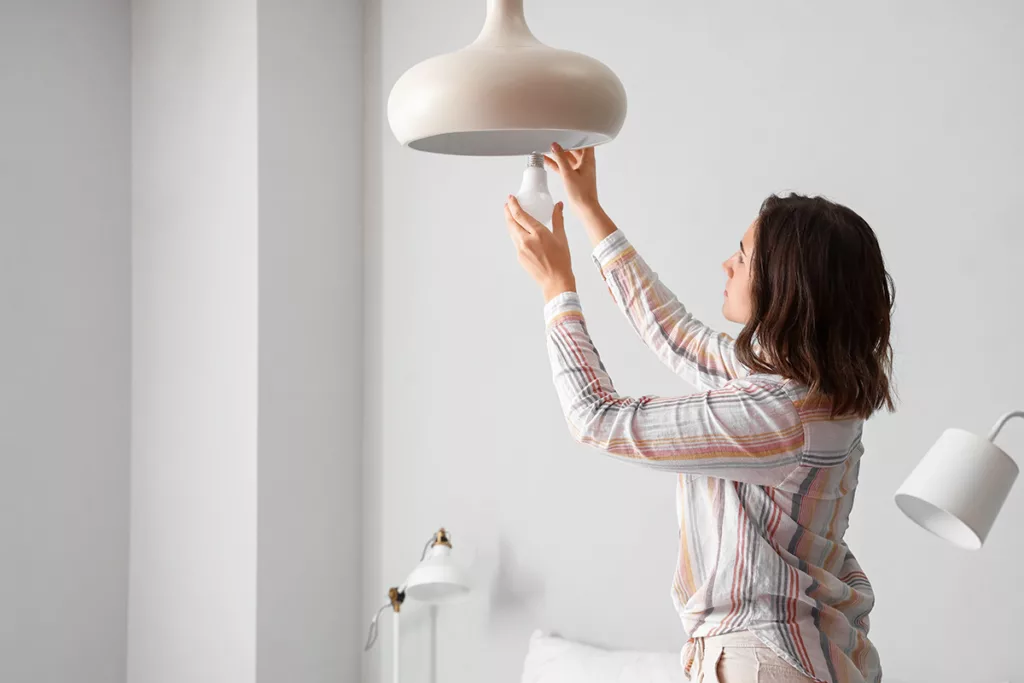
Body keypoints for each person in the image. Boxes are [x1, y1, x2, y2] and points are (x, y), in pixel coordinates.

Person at [503, 143, 894, 683]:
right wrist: (589, 208)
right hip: (797, 653)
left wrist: (557, 288)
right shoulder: (809, 395)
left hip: (765, 658)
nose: (727, 263)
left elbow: (596, 417)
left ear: (785, 283)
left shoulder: (777, 416)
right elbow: (677, 336)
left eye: (744, 254)